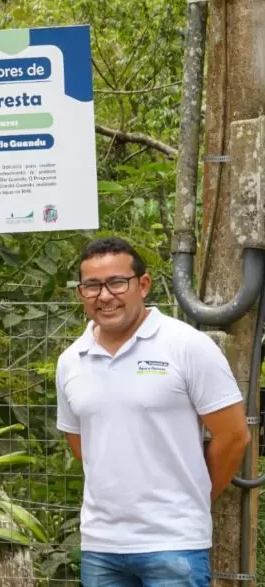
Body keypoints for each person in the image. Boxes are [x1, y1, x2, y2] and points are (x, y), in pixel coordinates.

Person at [56, 236, 251, 587]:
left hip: (174, 542)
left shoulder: (187, 346)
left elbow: (234, 436)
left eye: (117, 282)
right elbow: (82, 444)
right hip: (100, 544)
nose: (105, 296)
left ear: (143, 285)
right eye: (92, 286)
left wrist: (194, 496)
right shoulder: (71, 360)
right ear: (81, 293)